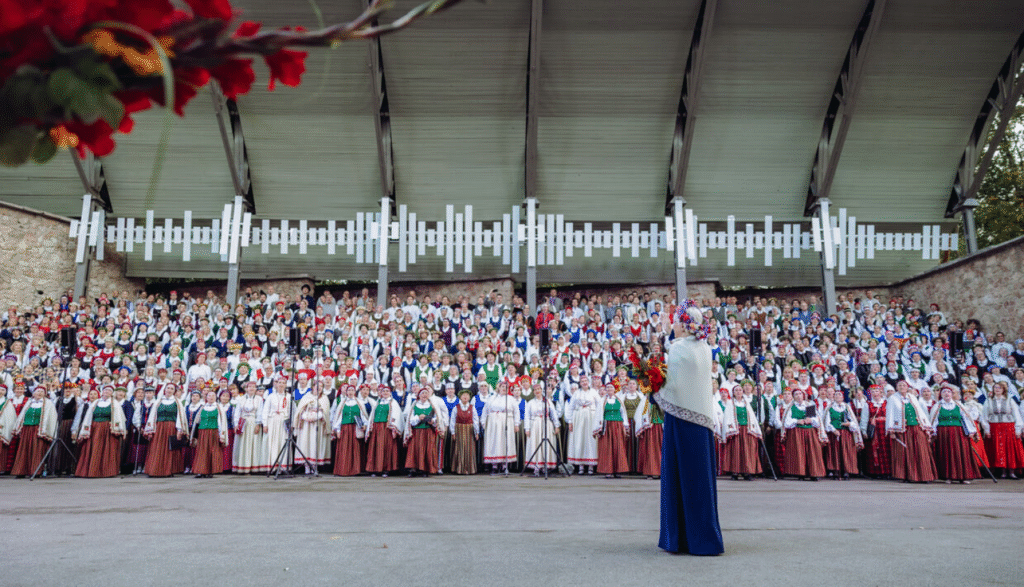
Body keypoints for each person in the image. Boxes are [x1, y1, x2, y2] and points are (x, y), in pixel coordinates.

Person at [653, 300, 724, 556]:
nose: (671, 324)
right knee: (699, 480)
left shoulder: (680, 349)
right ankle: (703, 536)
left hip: (681, 421)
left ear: (683, 325)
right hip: (702, 423)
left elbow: (670, 386)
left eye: (674, 320)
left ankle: (680, 538)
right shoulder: (704, 347)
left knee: (680, 477)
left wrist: (650, 383)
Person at [886, 381, 937, 483]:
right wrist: (891, 429)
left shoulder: (912, 397)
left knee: (921, 451)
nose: (902, 387)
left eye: (904, 385)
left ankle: (925, 476)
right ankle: (908, 476)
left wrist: (925, 426)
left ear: (907, 387)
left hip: (917, 427)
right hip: (903, 429)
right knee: (906, 452)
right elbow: (890, 414)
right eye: (899, 385)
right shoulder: (892, 399)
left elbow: (920, 411)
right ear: (896, 387)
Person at [929, 385, 980, 483]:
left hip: (958, 432)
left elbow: (966, 418)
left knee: (961, 453)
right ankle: (948, 476)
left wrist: (971, 431)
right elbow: (934, 420)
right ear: (941, 395)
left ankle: (963, 476)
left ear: (952, 394)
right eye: (944, 392)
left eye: (948, 392)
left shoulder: (959, 405)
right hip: (943, 433)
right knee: (946, 453)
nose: (947, 394)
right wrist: (933, 432)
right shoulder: (937, 406)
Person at [75, 385, 127, 478]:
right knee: (94, 449)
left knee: (107, 450)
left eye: (109, 391)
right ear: (102, 392)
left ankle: (106, 471)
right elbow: (88, 416)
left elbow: (119, 417)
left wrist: (118, 429)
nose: (106, 392)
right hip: (94, 428)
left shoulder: (114, 403)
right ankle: (92, 471)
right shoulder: (95, 402)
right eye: (105, 390)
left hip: (107, 429)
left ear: (112, 393)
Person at [10, 386, 57, 477]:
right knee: (24, 450)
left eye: (41, 392)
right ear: (33, 393)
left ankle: (36, 471)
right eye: (37, 391)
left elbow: (51, 418)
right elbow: (22, 416)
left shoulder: (48, 404)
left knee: (36, 450)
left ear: (44, 394)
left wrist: (46, 430)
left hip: (38, 429)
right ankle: (21, 471)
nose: (39, 393)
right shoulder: (29, 403)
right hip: (27, 429)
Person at [782, 388, 827, 481]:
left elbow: (817, 422)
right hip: (796, 433)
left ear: (803, 395)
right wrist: (797, 421)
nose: (799, 396)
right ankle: (800, 473)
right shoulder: (791, 407)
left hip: (809, 432)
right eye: (796, 394)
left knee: (813, 452)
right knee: (799, 452)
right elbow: (786, 423)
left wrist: (811, 420)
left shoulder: (809, 406)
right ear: (793, 397)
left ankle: (814, 473)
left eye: (800, 394)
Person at [143, 383, 186, 477]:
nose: (169, 390)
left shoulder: (177, 402)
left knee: (169, 449)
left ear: (174, 391)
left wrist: (179, 429)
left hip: (171, 427)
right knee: (156, 448)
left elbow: (180, 417)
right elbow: (153, 416)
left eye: (171, 389)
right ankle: (154, 470)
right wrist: (150, 429)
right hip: (159, 427)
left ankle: (168, 471)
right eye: (168, 388)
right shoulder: (158, 401)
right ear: (164, 390)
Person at [982, 381, 1024, 478]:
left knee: (1009, 449)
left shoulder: (1010, 400)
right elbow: (984, 416)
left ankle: (1012, 471)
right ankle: (1002, 471)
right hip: (994, 427)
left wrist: (1018, 429)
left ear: (1003, 389)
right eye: (995, 387)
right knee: (998, 449)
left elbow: (1016, 415)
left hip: (1008, 427)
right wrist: (987, 429)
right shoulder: (988, 401)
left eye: (999, 388)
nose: (997, 389)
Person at [721, 385, 763, 480]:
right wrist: (729, 430)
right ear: (734, 392)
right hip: (736, 430)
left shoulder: (746, 403)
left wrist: (757, 430)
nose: (739, 392)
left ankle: (747, 472)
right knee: (736, 451)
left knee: (747, 452)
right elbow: (727, 418)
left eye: (740, 390)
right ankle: (735, 472)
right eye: (736, 390)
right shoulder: (730, 403)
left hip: (747, 430)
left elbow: (752, 417)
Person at [823, 389, 863, 480]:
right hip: (834, 433)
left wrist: (849, 424)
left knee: (846, 451)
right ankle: (835, 470)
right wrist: (833, 430)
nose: (838, 397)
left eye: (840, 395)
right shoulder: (829, 407)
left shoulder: (847, 407)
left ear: (842, 397)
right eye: (836, 395)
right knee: (835, 452)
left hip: (846, 432)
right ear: (833, 397)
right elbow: (826, 422)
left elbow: (853, 421)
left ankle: (846, 471)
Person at [365, 384, 404, 477]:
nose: (385, 393)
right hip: (376, 428)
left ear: (390, 393)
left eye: (387, 391)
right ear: (381, 393)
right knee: (375, 449)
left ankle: (386, 469)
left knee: (386, 449)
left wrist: (394, 427)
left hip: (387, 428)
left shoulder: (393, 403)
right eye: (383, 391)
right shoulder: (377, 402)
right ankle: (375, 469)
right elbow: (372, 416)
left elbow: (397, 415)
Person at [482, 381, 520, 474]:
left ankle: (504, 465)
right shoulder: (491, 398)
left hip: (506, 422)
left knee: (505, 441)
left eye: (506, 387)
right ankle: (494, 465)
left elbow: (516, 412)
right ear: (498, 387)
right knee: (494, 442)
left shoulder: (511, 399)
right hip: (493, 423)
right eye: (502, 386)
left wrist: (516, 424)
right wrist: (483, 422)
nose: (504, 388)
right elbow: (485, 410)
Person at [190, 390, 228, 478]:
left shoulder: (218, 408)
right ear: (206, 398)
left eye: (213, 396)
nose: (211, 398)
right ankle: (200, 470)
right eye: (209, 396)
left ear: (216, 398)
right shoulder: (202, 407)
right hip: (202, 432)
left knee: (212, 451)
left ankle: (210, 471)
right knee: (201, 451)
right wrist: (195, 435)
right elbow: (197, 421)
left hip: (213, 432)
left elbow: (221, 422)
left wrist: (221, 434)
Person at [565, 379, 600, 474]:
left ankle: (591, 466)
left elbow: (599, 406)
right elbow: (571, 407)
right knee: (579, 439)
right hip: (579, 418)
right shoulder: (576, 393)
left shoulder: (594, 392)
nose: (584, 383)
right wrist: (570, 421)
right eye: (582, 381)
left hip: (591, 418)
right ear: (580, 383)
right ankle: (581, 465)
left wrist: (598, 421)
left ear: (589, 382)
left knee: (590, 440)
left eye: (586, 381)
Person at [403, 386, 440, 476]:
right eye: (423, 393)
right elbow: (410, 420)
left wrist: (432, 421)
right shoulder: (414, 406)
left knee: (427, 449)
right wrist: (418, 418)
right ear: (419, 395)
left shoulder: (432, 406)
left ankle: (425, 470)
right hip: (417, 431)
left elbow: (436, 418)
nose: (424, 395)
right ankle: (413, 469)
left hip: (428, 431)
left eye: (426, 393)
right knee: (414, 450)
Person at [524, 384, 560, 476]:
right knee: (535, 444)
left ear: (541, 390)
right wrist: (527, 428)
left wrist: (556, 425)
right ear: (533, 392)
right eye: (535, 389)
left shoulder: (547, 401)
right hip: (535, 424)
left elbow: (553, 414)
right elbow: (527, 416)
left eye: (539, 389)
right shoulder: (530, 403)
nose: (537, 391)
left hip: (546, 423)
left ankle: (545, 466)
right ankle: (536, 466)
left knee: (545, 444)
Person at [332, 384, 367, 476]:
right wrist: (338, 430)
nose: (350, 392)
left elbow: (363, 415)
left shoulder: (359, 402)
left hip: (355, 428)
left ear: (355, 392)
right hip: (345, 429)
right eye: (349, 390)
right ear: (346, 392)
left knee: (355, 449)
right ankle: (343, 470)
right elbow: (339, 417)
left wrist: (365, 425)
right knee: (344, 449)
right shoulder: (342, 403)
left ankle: (355, 470)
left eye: (352, 390)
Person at [294, 385, 331, 474]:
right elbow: (300, 410)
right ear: (313, 387)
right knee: (306, 444)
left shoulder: (324, 398)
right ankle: (307, 466)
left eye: (321, 386)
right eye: (317, 386)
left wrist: (317, 416)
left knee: (315, 444)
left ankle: (314, 466)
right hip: (307, 425)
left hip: (318, 424)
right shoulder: (306, 397)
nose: (319, 388)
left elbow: (325, 411)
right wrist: (305, 416)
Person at [232, 381, 264, 473]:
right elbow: (237, 412)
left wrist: (258, 424)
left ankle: (252, 467)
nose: (251, 389)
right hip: (243, 423)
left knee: (253, 444)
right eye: (249, 387)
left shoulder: (259, 399)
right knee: (242, 444)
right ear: (246, 388)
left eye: (253, 387)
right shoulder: (241, 399)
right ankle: (241, 466)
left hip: (253, 422)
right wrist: (236, 424)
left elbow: (260, 412)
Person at [633, 387, 663, 479]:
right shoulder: (646, 400)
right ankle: (650, 472)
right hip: (650, 428)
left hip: (660, 427)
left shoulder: (663, 399)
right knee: (650, 450)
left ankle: (660, 472)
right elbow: (639, 414)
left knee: (661, 450)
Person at [449, 389, 480, 475]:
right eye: (463, 395)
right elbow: (452, 420)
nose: (465, 397)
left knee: (469, 449)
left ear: (469, 397)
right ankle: (459, 469)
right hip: (459, 429)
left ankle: (470, 469)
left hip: (469, 430)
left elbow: (475, 420)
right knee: (459, 449)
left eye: (467, 395)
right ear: (460, 397)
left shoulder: (472, 408)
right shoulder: (456, 408)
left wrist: (476, 432)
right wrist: (453, 432)